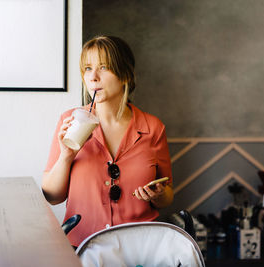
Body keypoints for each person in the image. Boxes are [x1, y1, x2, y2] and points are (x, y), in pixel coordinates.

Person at [42, 35, 173, 247]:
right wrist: (66, 157)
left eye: (103, 67)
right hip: (83, 248)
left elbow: (167, 196)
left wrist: (157, 194)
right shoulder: (70, 121)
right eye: (87, 68)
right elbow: (52, 196)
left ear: (125, 75)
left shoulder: (153, 128)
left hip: (140, 249)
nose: (93, 77)